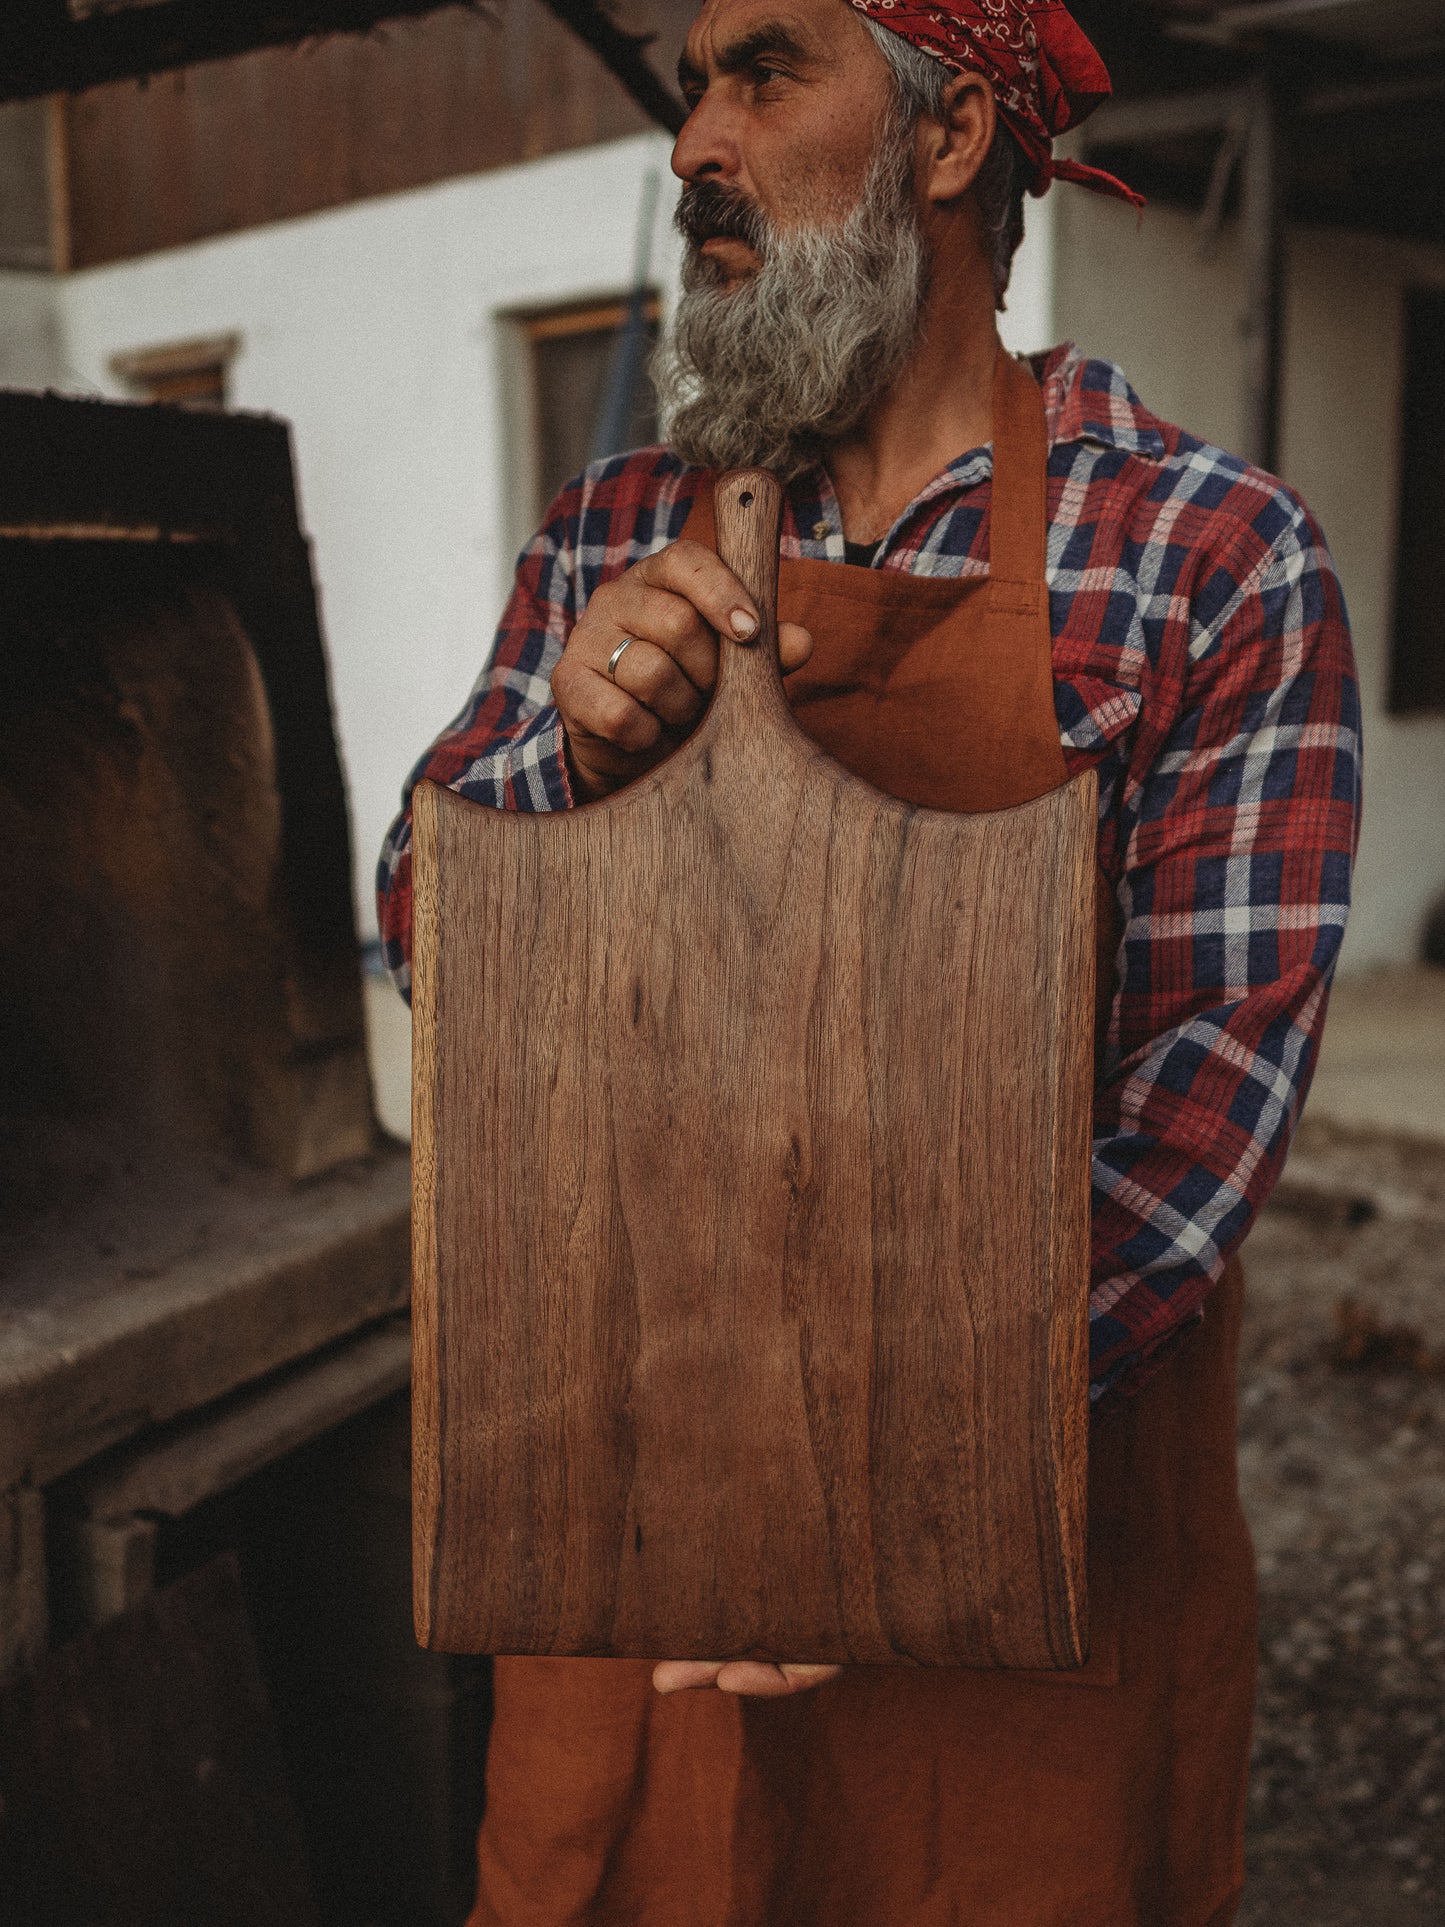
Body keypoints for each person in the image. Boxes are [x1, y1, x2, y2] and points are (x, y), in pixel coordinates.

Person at [377, 1, 1361, 1919]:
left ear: (946, 133)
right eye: (687, 97)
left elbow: (1199, 1108)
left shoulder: (1208, 555)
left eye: (760, 73)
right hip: (637, 1542)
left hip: (1010, 1562)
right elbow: (418, 921)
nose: (689, 151)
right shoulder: (603, 541)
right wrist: (553, 766)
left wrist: (862, 1474)